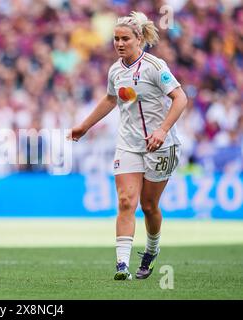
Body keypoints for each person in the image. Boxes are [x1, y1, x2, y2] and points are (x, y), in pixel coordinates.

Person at [68, 12, 187, 280]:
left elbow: (180, 98)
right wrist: (84, 126)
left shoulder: (155, 67)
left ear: (140, 39)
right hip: (129, 144)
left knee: (149, 205)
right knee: (125, 202)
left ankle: (152, 249)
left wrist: (162, 129)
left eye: (125, 39)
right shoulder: (115, 70)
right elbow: (111, 100)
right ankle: (122, 264)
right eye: (116, 39)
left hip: (162, 145)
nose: (119, 44)